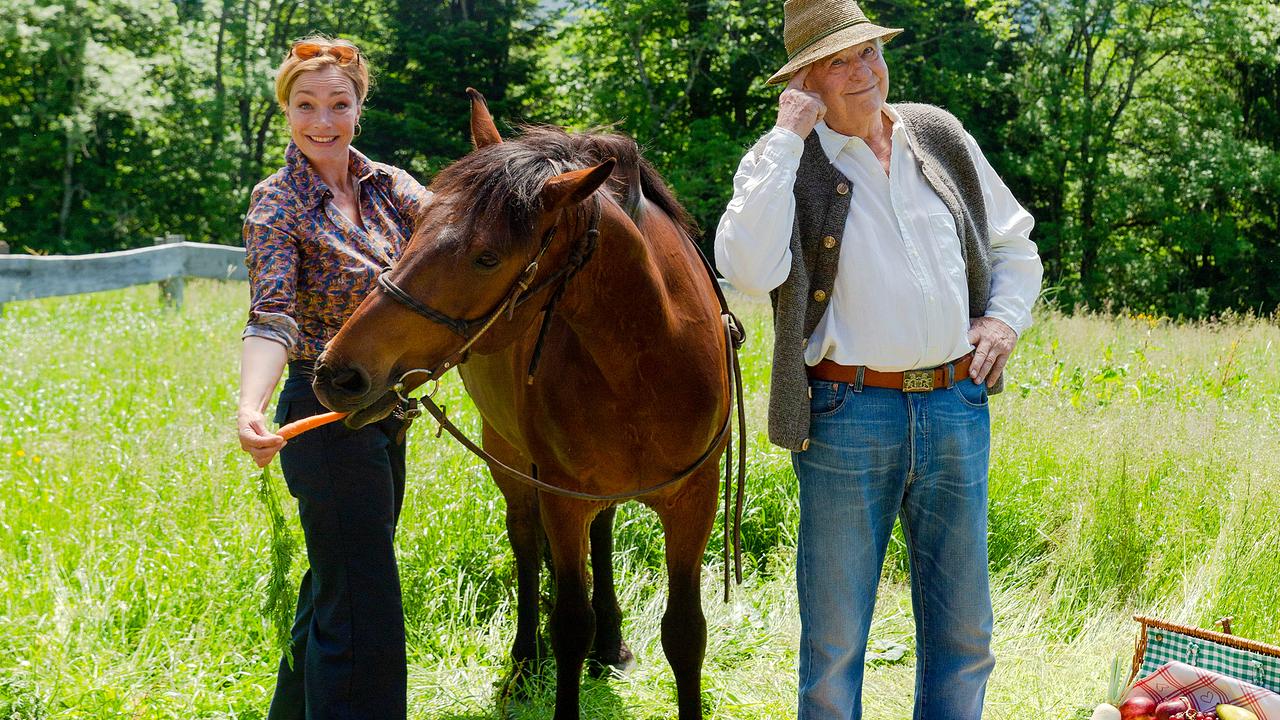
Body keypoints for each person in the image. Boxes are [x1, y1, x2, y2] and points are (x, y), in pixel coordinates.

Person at [714, 0, 1043, 718]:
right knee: (834, 643)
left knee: (966, 632)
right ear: (803, 80)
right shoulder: (784, 160)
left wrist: (1003, 323)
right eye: (839, 61)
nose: (864, 70)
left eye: (869, 51)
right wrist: (787, 135)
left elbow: (1014, 245)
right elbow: (744, 270)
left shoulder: (936, 134)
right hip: (847, 415)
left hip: (956, 405)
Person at [235, 35, 430, 720]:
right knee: (363, 594)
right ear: (286, 110)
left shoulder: (390, 186)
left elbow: (457, 242)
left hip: (387, 408)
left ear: (359, 108)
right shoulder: (277, 201)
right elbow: (272, 316)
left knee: (341, 576)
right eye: (305, 105)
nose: (322, 121)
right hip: (320, 408)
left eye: (338, 104)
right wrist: (251, 406)